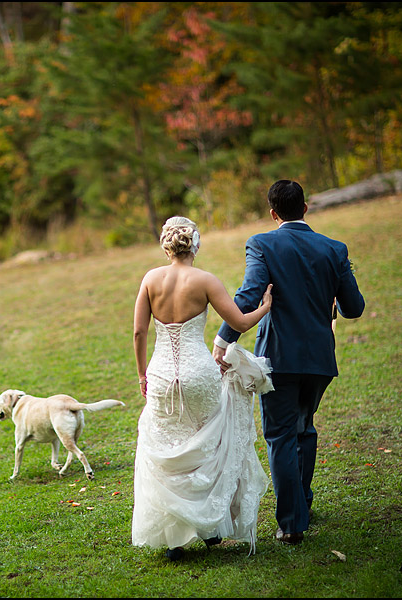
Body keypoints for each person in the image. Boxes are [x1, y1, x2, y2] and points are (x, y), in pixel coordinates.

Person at [212, 180, 365, 545]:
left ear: (273, 213)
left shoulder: (262, 244)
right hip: (319, 359)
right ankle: (302, 504)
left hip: (278, 357)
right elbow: (354, 307)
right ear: (305, 208)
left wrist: (223, 340)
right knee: (304, 429)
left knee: (281, 436)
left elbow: (250, 294)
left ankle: (293, 523)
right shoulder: (334, 248)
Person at [132, 216, 274, 561]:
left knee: (168, 445)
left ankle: (174, 541)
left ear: (167, 246)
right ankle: (210, 527)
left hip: (162, 374)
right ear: (195, 245)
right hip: (199, 373)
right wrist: (265, 307)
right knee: (207, 444)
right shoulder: (205, 280)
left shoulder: (150, 279)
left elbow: (139, 332)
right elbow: (239, 322)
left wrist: (142, 375)